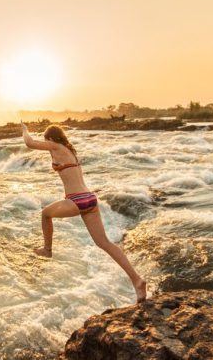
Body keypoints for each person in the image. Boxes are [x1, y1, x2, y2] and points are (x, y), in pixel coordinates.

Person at [21, 122, 147, 303]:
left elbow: (29, 143)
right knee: (104, 243)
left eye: (46, 140)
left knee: (45, 214)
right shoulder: (69, 150)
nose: (46, 143)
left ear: (50, 138)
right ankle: (137, 280)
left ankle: (47, 250)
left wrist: (24, 130)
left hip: (77, 200)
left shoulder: (55, 146)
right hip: (90, 199)